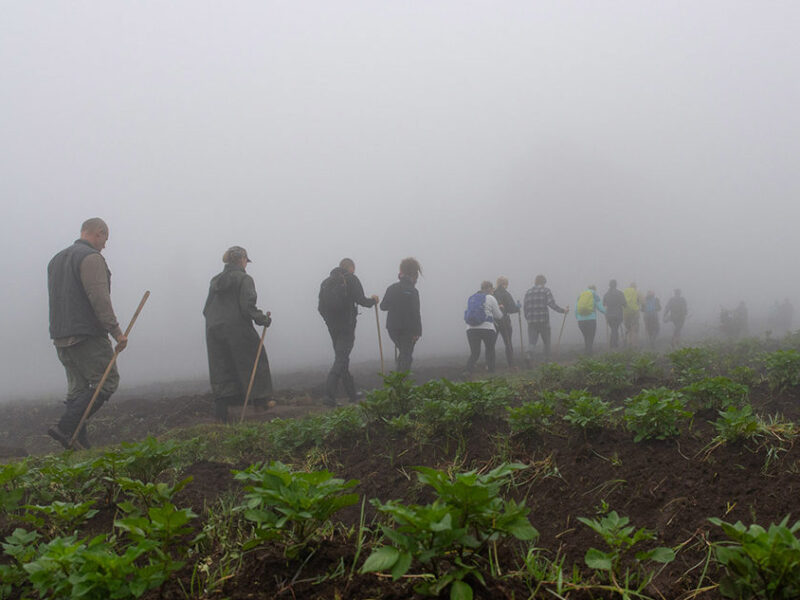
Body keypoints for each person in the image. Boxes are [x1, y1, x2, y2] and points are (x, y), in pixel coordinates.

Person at [47, 218, 128, 449]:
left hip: (61, 336)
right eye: (105, 239)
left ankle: (78, 444)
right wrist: (116, 332)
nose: (105, 245)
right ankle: (66, 428)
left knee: (78, 391)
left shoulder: (56, 260)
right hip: (86, 335)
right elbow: (99, 298)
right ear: (99, 233)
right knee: (107, 380)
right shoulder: (91, 258)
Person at [203, 246, 272, 423]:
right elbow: (247, 307)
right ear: (241, 260)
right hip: (236, 327)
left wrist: (216, 322)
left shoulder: (215, 281)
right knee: (255, 358)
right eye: (246, 261)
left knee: (221, 366)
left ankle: (222, 410)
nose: (246, 264)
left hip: (213, 328)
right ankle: (260, 401)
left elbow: (206, 309)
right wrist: (262, 319)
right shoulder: (244, 279)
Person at [318, 258, 378, 406]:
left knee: (342, 357)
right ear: (351, 267)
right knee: (341, 358)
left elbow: (320, 308)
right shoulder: (351, 279)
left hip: (333, 327)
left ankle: (352, 394)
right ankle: (329, 394)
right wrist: (374, 301)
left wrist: (329, 322)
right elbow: (362, 300)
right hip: (347, 326)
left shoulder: (326, 282)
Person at [380, 258, 422, 373]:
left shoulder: (392, 288)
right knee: (406, 356)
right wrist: (418, 332)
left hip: (392, 328)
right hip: (408, 330)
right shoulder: (413, 291)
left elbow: (383, 306)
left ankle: (398, 382)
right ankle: (401, 384)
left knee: (404, 354)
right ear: (414, 275)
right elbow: (415, 312)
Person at [523, 275, 568, 362]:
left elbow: (525, 308)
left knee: (532, 341)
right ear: (544, 282)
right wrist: (563, 311)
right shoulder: (546, 291)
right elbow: (552, 304)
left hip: (531, 322)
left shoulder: (528, 292)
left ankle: (528, 355)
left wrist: (528, 318)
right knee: (546, 341)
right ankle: (547, 361)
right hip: (543, 321)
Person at [464, 281, 504, 375]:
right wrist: (501, 308)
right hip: (487, 328)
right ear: (489, 288)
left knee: (475, 352)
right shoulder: (490, 297)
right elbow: (499, 316)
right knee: (490, 350)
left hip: (471, 329)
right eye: (492, 289)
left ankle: (468, 371)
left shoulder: (471, 298)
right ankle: (491, 372)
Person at [493, 276, 520, 368]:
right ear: (505, 284)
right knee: (508, 343)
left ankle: (490, 366)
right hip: (504, 320)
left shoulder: (492, 293)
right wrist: (518, 308)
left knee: (491, 344)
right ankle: (511, 365)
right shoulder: (506, 293)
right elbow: (511, 309)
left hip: (494, 322)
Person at [575, 285, 606, 355]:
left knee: (586, 336)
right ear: (595, 289)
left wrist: (578, 317)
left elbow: (576, 309)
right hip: (591, 320)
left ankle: (587, 351)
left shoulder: (580, 295)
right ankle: (589, 353)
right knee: (591, 337)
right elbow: (600, 307)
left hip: (581, 321)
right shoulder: (594, 295)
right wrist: (606, 312)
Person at [603, 279, 627, 349]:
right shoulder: (620, 293)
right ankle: (613, 345)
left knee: (614, 329)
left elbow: (603, 304)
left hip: (609, 315)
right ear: (616, 285)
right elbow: (625, 304)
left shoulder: (606, 294)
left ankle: (614, 344)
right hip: (618, 314)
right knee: (615, 329)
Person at [622, 282, 643, 348]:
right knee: (634, 328)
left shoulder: (625, 292)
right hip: (635, 312)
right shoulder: (637, 292)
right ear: (635, 287)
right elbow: (642, 301)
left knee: (628, 328)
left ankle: (628, 341)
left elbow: (622, 301)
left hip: (625, 312)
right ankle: (634, 344)